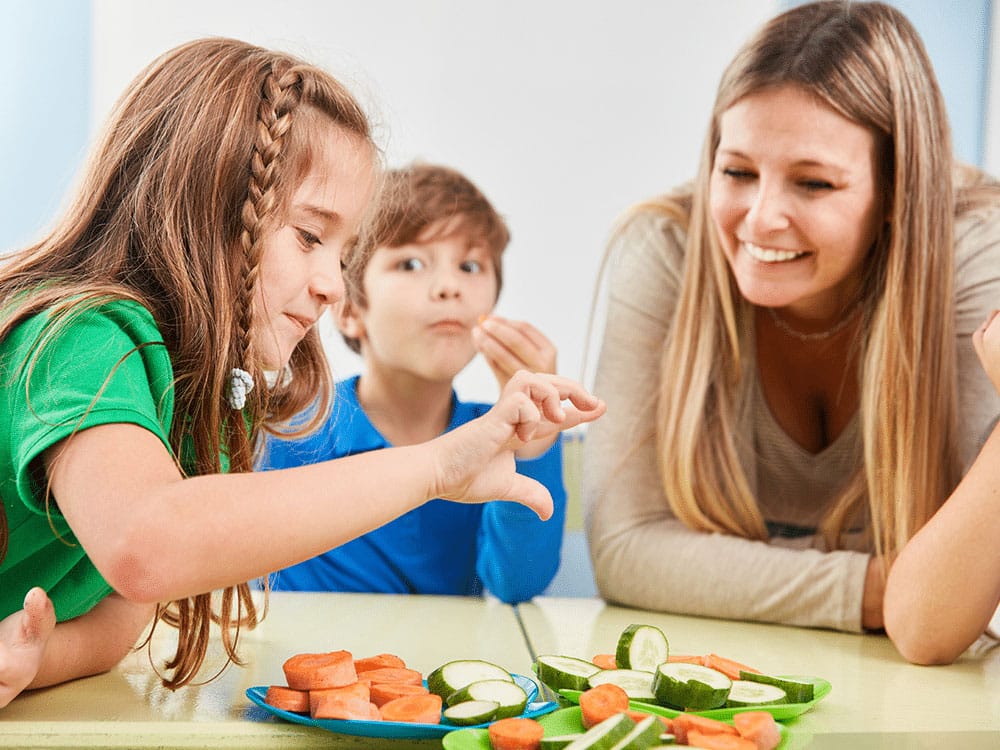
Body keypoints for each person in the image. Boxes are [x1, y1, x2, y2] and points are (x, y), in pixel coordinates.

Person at [0, 39, 604, 708]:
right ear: (208, 201)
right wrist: (436, 467)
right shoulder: (82, 338)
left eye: (342, 256)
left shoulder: (198, 398)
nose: (331, 288)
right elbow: (146, 546)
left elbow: (126, 609)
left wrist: (38, 654)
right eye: (311, 237)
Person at [583, 0, 1000, 663]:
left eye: (812, 183)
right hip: (723, 668)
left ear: (897, 192)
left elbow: (940, 615)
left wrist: (727, 573)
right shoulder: (665, 248)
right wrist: (877, 584)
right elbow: (626, 550)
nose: (761, 219)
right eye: (737, 171)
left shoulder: (975, 256)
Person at [261, 162, 565, 604]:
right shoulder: (288, 432)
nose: (448, 287)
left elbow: (517, 584)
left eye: (471, 265)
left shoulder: (501, 438)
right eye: (412, 263)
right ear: (348, 309)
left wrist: (532, 442)